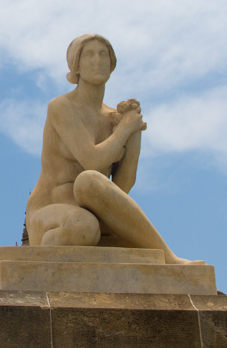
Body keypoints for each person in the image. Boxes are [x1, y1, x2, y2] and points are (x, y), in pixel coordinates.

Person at [25, 34, 201, 265]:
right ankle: (167, 257)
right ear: (75, 65)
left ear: (112, 65)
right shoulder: (61, 107)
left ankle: (165, 257)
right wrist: (124, 131)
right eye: (88, 54)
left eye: (103, 55)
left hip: (95, 215)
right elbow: (93, 161)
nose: (97, 60)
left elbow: (121, 187)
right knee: (84, 212)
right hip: (51, 211)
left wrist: (133, 135)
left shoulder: (115, 118)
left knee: (92, 208)